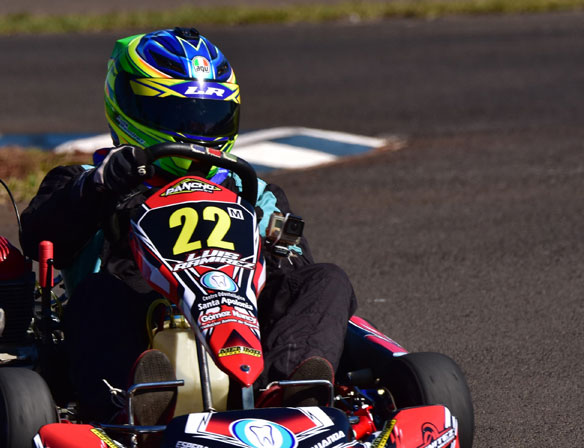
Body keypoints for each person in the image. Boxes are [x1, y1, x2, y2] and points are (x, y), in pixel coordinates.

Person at [20, 27, 357, 425]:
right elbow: (38, 236)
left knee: (326, 280)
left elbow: (294, 269)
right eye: (177, 115)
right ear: (129, 106)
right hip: (141, 317)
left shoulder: (253, 191)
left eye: (209, 117)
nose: (196, 131)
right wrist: (101, 185)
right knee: (97, 295)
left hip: (241, 319)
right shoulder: (87, 181)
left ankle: (289, 392)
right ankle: (134, 405)